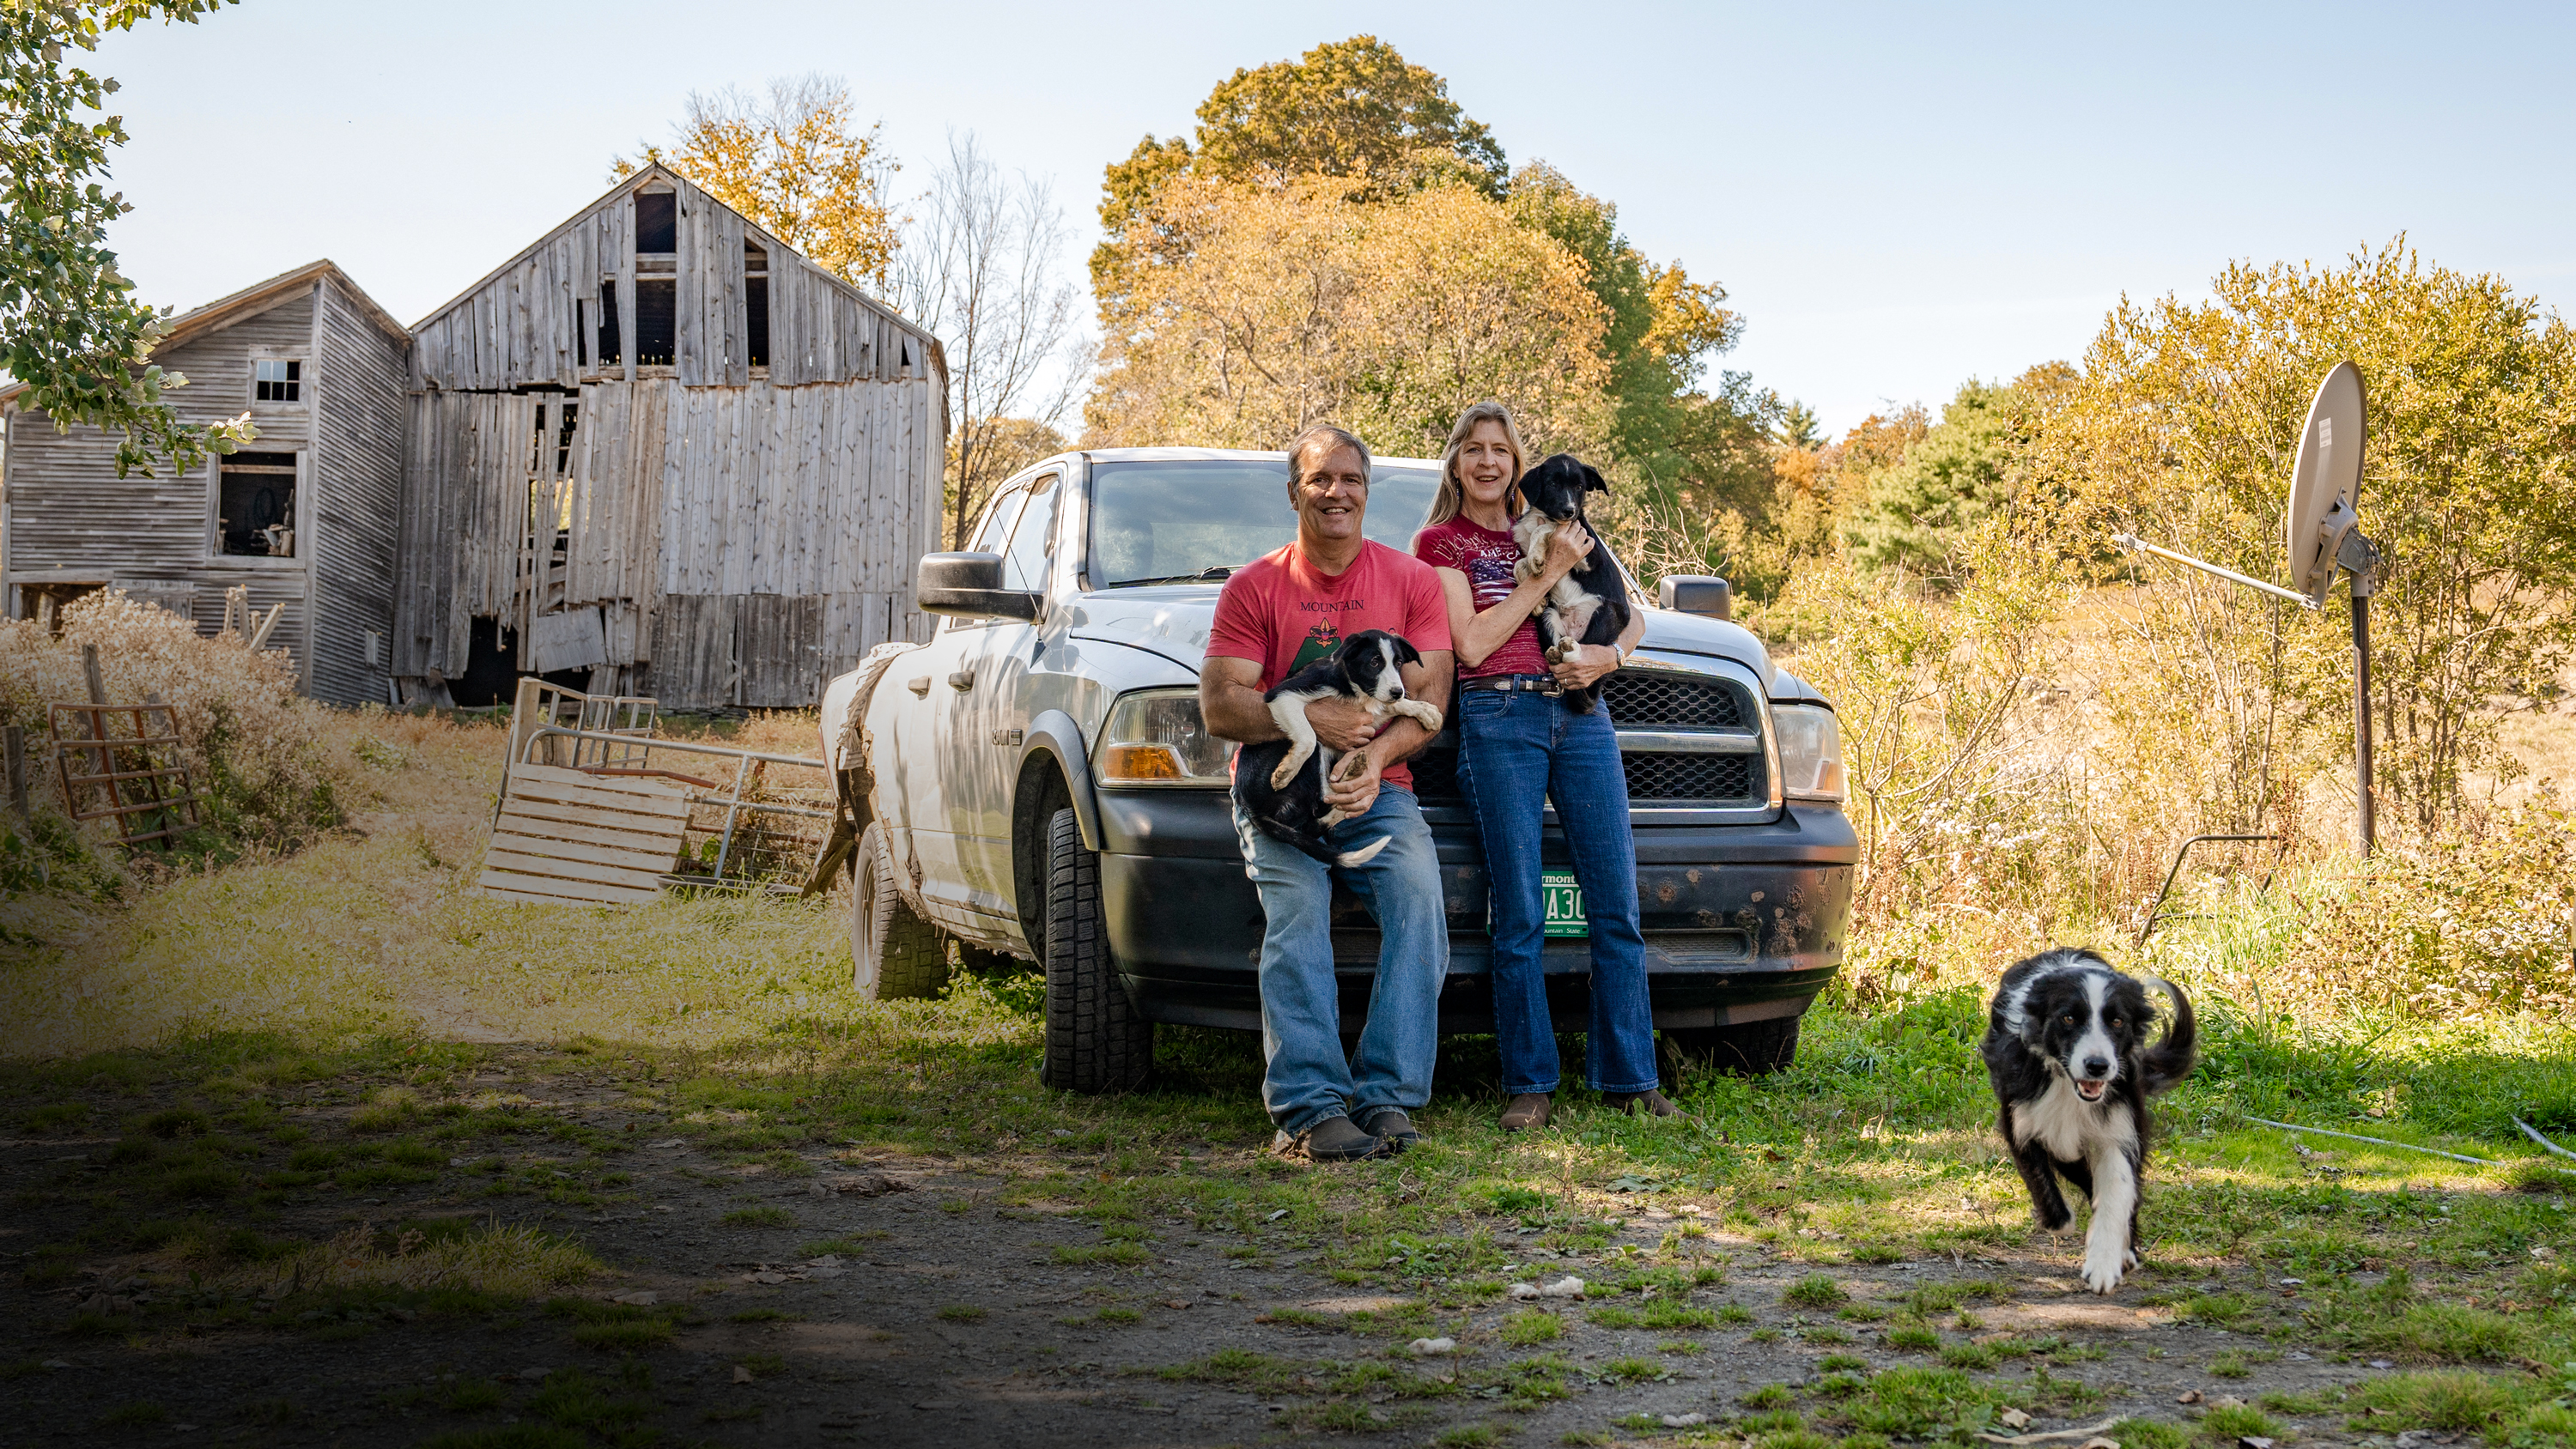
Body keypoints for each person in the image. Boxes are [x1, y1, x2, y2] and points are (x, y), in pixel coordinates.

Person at [1201, 424, 1457, 1162]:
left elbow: (1433, 695)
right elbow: (1220, 706)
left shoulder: (1409, 581)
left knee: (1417, 899)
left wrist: (1374, 760)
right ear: (1294, 493)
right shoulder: (1255, 586)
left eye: (1351, 479)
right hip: (1279, 798)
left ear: (1367, 492)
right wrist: (1314, 716)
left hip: (1378, 791)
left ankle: (1388, 1095)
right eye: (1320, 480)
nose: (1337, 492)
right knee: (1299, 914)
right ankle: (1311, 1108)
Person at [1413, 400, 1668, 1131]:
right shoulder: (1441, 544)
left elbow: (1633, 610)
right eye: (1475, 450)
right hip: (1499, 717)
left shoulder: (1567, 525)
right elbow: (1470, 643)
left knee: (1615, 902)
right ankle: (1530, 1082)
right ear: (1457, 462)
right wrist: (1546, 572)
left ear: (1517, 465)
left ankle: (1630, 1079)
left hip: (1583, 713)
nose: (1489, 462)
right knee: (1520, 910)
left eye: (1501, 450)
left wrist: (1607, 656)